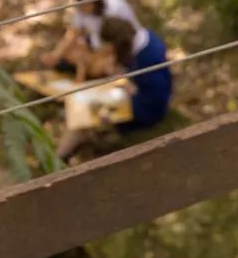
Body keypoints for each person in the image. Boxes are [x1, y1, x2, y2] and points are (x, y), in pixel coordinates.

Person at [55, 14, 174, 161]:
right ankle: (66, 149)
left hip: (146, 107)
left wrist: (128, 89)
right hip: (132, 94)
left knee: (85, 109)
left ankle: (60, 156)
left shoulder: (149, 55)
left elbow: (153, 97)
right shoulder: (140, 42)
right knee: (83, 103)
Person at [47, 0, 149, 77]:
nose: (82, 8)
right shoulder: (81, 10)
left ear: (94, 0)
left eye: (85, 4)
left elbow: (118, 43)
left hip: (125, 50)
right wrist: (56, 54)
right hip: (100, 49)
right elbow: (73, 34)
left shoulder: (114, 6)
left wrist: (94, 60)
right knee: (66, 61)